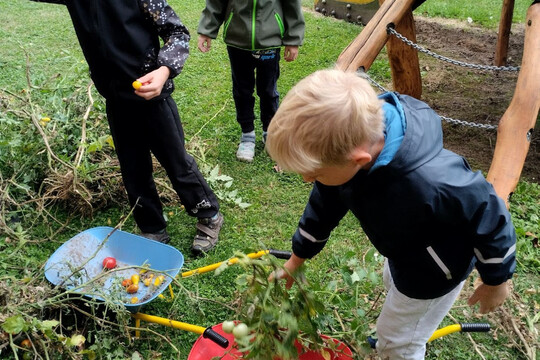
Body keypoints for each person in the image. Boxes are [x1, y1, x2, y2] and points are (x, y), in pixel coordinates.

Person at [266, 69, 516, 360]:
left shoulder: (431, 184)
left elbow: (489, 213)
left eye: (316, 174)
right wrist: (296, 260)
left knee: (399, 343)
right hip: (405, 251)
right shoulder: (352, 159)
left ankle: (397, 346)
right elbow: (323, 207)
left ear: (358, 160)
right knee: (393, 283)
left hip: (433, 272)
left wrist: (497, 280)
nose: (308, 181)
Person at [30, 0, 224, 255]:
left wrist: (165, 70)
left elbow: (177, 33)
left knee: (176, 163)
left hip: (152, 98)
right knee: (133, 169)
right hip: (116, 98)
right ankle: (152, 228)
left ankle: (209, 214)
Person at [197, 0, 305, 162]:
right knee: (242, 90)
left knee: (268, 90)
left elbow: (292, 6)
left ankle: (270, 131)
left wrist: (293, 39)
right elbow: (216, 3)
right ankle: (247, 134)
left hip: (269, 41)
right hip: (237, 40)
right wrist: (206, 30)